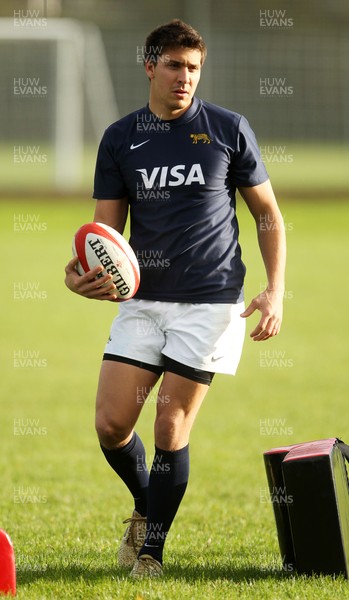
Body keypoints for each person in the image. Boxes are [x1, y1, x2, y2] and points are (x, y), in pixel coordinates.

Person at [65, 19, 286, 578]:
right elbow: (105, 237)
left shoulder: (227, 129)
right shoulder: (120, 137)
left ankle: (151, 555)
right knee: (111, 425)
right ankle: (147, 503)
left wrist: (275, 289)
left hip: (210, 301)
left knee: (169, 430)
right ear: (149, 66)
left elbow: (267, 216)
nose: (184, 77)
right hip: (144, 300)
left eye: (193, 68)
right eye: (173, 65)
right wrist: (83, 277)